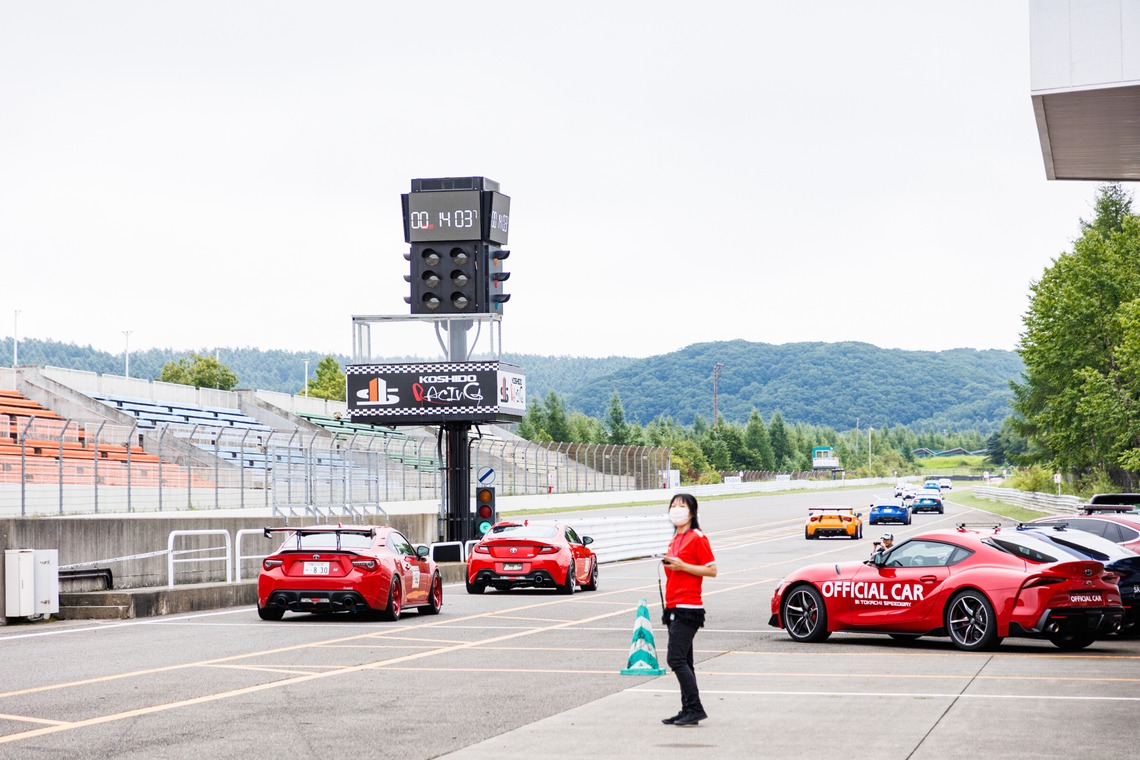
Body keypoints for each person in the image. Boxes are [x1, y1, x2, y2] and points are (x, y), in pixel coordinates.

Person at [660, 493, 717, 727]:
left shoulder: (697, 537)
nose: (676, 509)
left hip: (688, 607)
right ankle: (688, 709)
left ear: (692, 512)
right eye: (673, 505)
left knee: (675, 658)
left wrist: (683, 566)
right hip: (673, 604)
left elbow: (712, 570)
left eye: (681, 506)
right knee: (685, 660)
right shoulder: (675, 540)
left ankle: (695, 708)